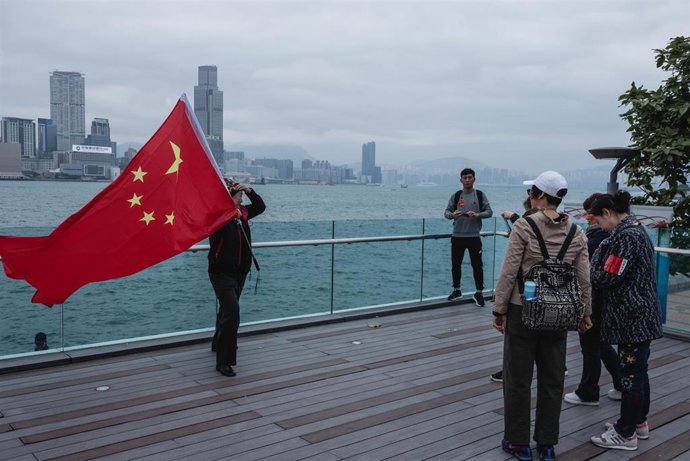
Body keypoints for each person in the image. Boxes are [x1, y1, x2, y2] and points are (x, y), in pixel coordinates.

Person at [492, 170, 592, 461]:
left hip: (522, 310)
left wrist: (499, 309)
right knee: (552, 380)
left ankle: (518, 443)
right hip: (559, 314)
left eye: (530, 192)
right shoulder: (577, 231)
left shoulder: (523, 226)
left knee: (518, 379)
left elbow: (509, 271)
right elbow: (583, 278)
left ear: (536, 195)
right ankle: (547, 444)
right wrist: (585, 312)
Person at [589, 191, 663, 451]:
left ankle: (625, 432)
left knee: (631, 376)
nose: (599, 226)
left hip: (632, 318)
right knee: (638, 373)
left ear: (607, 213)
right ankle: (638, 422)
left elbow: (609, 276)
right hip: (640, 314)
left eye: (598, 221)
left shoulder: (626, 237)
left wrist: (589, 271)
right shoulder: (635, 230)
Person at [564, 193, 622, 406]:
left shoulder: (596, 240)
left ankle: (588, 391)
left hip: (594, 299)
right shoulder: (614, 236)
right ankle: (621, 383)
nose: (589, 218)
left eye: (591, 214)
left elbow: (587, 272)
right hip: (607, 300)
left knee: (590, 346)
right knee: (601, 344)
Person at [208, 178, 266, 377]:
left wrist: (248, 189)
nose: (241, 200)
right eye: (239, 197)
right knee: (232, 313)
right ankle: (224, 362)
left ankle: (218, 343)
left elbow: (260, 206)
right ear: (228, 199)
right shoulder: (218, 218)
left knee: (227, 310)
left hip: (240, 272)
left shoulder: (243, 214)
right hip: (220, 273)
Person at [444, 168, 493, 306]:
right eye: (465, 178)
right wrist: (452, 215)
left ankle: (479, 293)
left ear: (474, 179)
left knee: (477, 266)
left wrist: (478, 215)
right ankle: (457, 290)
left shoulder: (480, 195)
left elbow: (489, 212)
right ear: (461, 180)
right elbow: (446, 212)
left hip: (474, 236)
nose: (467, 180)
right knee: (456, 265)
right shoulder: (456, 195)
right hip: (457, 236)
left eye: (470, 177)